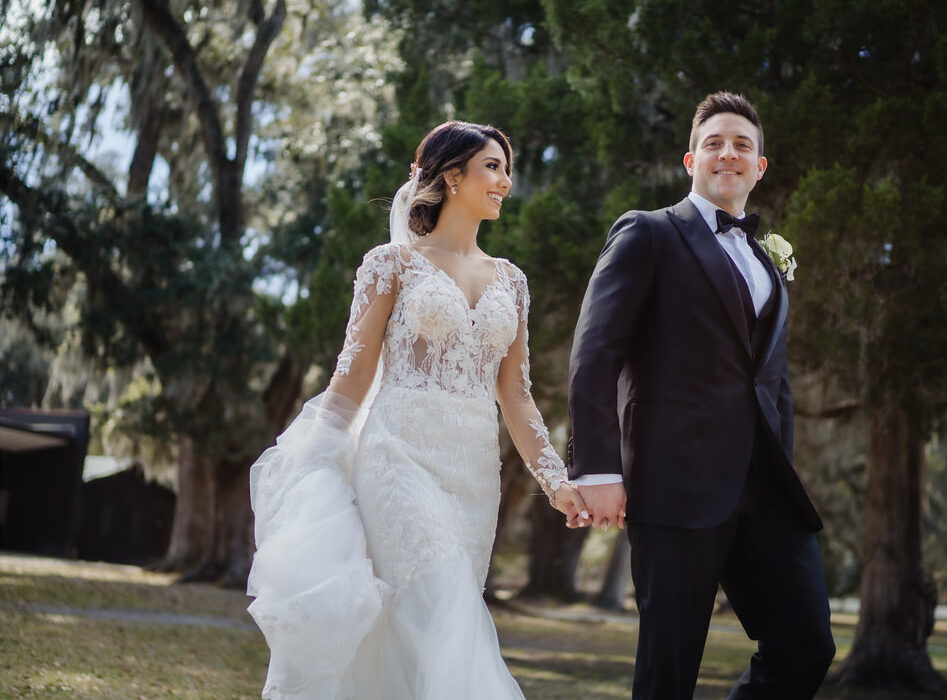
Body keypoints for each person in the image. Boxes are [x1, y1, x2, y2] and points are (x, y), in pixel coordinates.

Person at [247, 121, 589, 699]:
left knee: (416, 629)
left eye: (507, 169)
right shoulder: (391, 265)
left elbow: (516, 393)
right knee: (442, 604)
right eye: (492, 167)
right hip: (397, 456)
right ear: (452, 176)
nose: (505, 181)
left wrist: (556, 480)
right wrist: (314, 454)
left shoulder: (512, 280)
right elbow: (353, 372)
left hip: (475, 474)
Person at [568, 92, 836, 699]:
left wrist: (782, 465)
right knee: (670, 668)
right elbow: (594, 356)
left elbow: (772, 381)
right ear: (690, 160)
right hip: (675, 484)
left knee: (806, 646)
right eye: (714, 142)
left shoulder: (769, 260)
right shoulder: (650, 234)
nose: (727, 153)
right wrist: (598, 469)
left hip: (767, 490)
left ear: (759, 167)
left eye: (742, 144)